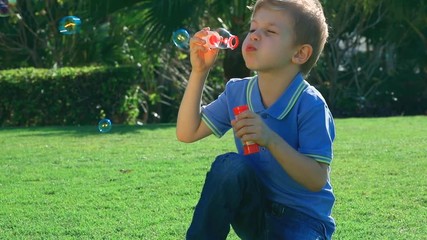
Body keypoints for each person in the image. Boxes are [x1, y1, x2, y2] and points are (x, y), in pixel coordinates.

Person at [176, 0, 335, 239]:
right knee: (229, 166)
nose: (255, 36)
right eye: (253, 29)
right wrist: (200, 71)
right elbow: (188, 132)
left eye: (270, 31)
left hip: (303, 222)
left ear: (300, 53)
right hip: (256, 213)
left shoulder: (310, 104)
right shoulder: (237, 93)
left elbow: (316, 179)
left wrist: (270, 139)